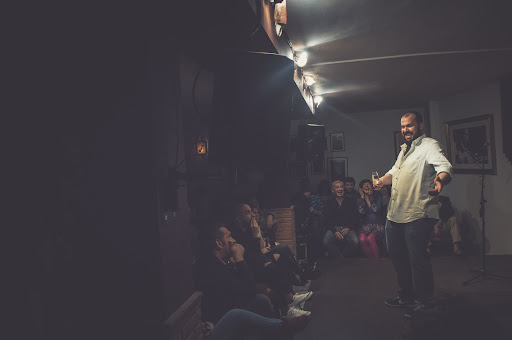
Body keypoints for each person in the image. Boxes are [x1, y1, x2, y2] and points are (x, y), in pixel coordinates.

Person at [374, 111, 453, 309]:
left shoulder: (429, 145)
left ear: (420, 126)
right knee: (397, 257)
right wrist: (382, 180)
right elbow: (395, 171)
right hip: (394, 215)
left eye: (409, 125)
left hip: (416, 215)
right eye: (402, 126)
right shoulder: (404, 149)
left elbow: (445, 167)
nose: (405, 130)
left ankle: (424, 300)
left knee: (418, 260)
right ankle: (406, 295)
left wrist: (440, 182)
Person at [322, 180, 360, 259]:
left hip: (347, 228)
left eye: (341, 187)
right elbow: (326, 219)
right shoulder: (329, 202)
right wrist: (334, 231)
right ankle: (340, 258)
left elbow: (355, 217)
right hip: (334, 228)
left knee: (355, 241)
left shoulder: (351, 201)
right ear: (333, 190)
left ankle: (344, 257)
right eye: (337, 187)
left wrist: (348, 228)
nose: (340, 189)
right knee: (326, 241)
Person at [356, 179, 385, 258]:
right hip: (365, 226)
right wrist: (363, 198)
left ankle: (376, 262)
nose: (366, 186)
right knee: (362, 240)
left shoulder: (378, 197)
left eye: (368, 184)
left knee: (370, 239)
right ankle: (370, 261)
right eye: (364, 185)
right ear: (361, 189)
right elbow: (361, 211)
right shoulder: (359, 199)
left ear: (372, 187)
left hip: (377, 225)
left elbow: (375, 210)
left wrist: (368, 201)